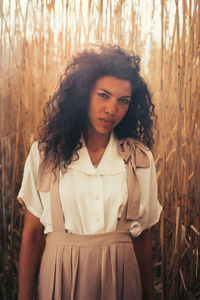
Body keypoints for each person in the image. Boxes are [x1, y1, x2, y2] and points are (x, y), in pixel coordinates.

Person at [18, 44, 162, 300]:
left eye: (123, 101)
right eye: (103, 95)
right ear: (84, 94)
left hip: (122, 281)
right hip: (58, 279)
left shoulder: (140, 159)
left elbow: (142, 237)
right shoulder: (44, 154)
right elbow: (31, 234)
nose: (111, 110)